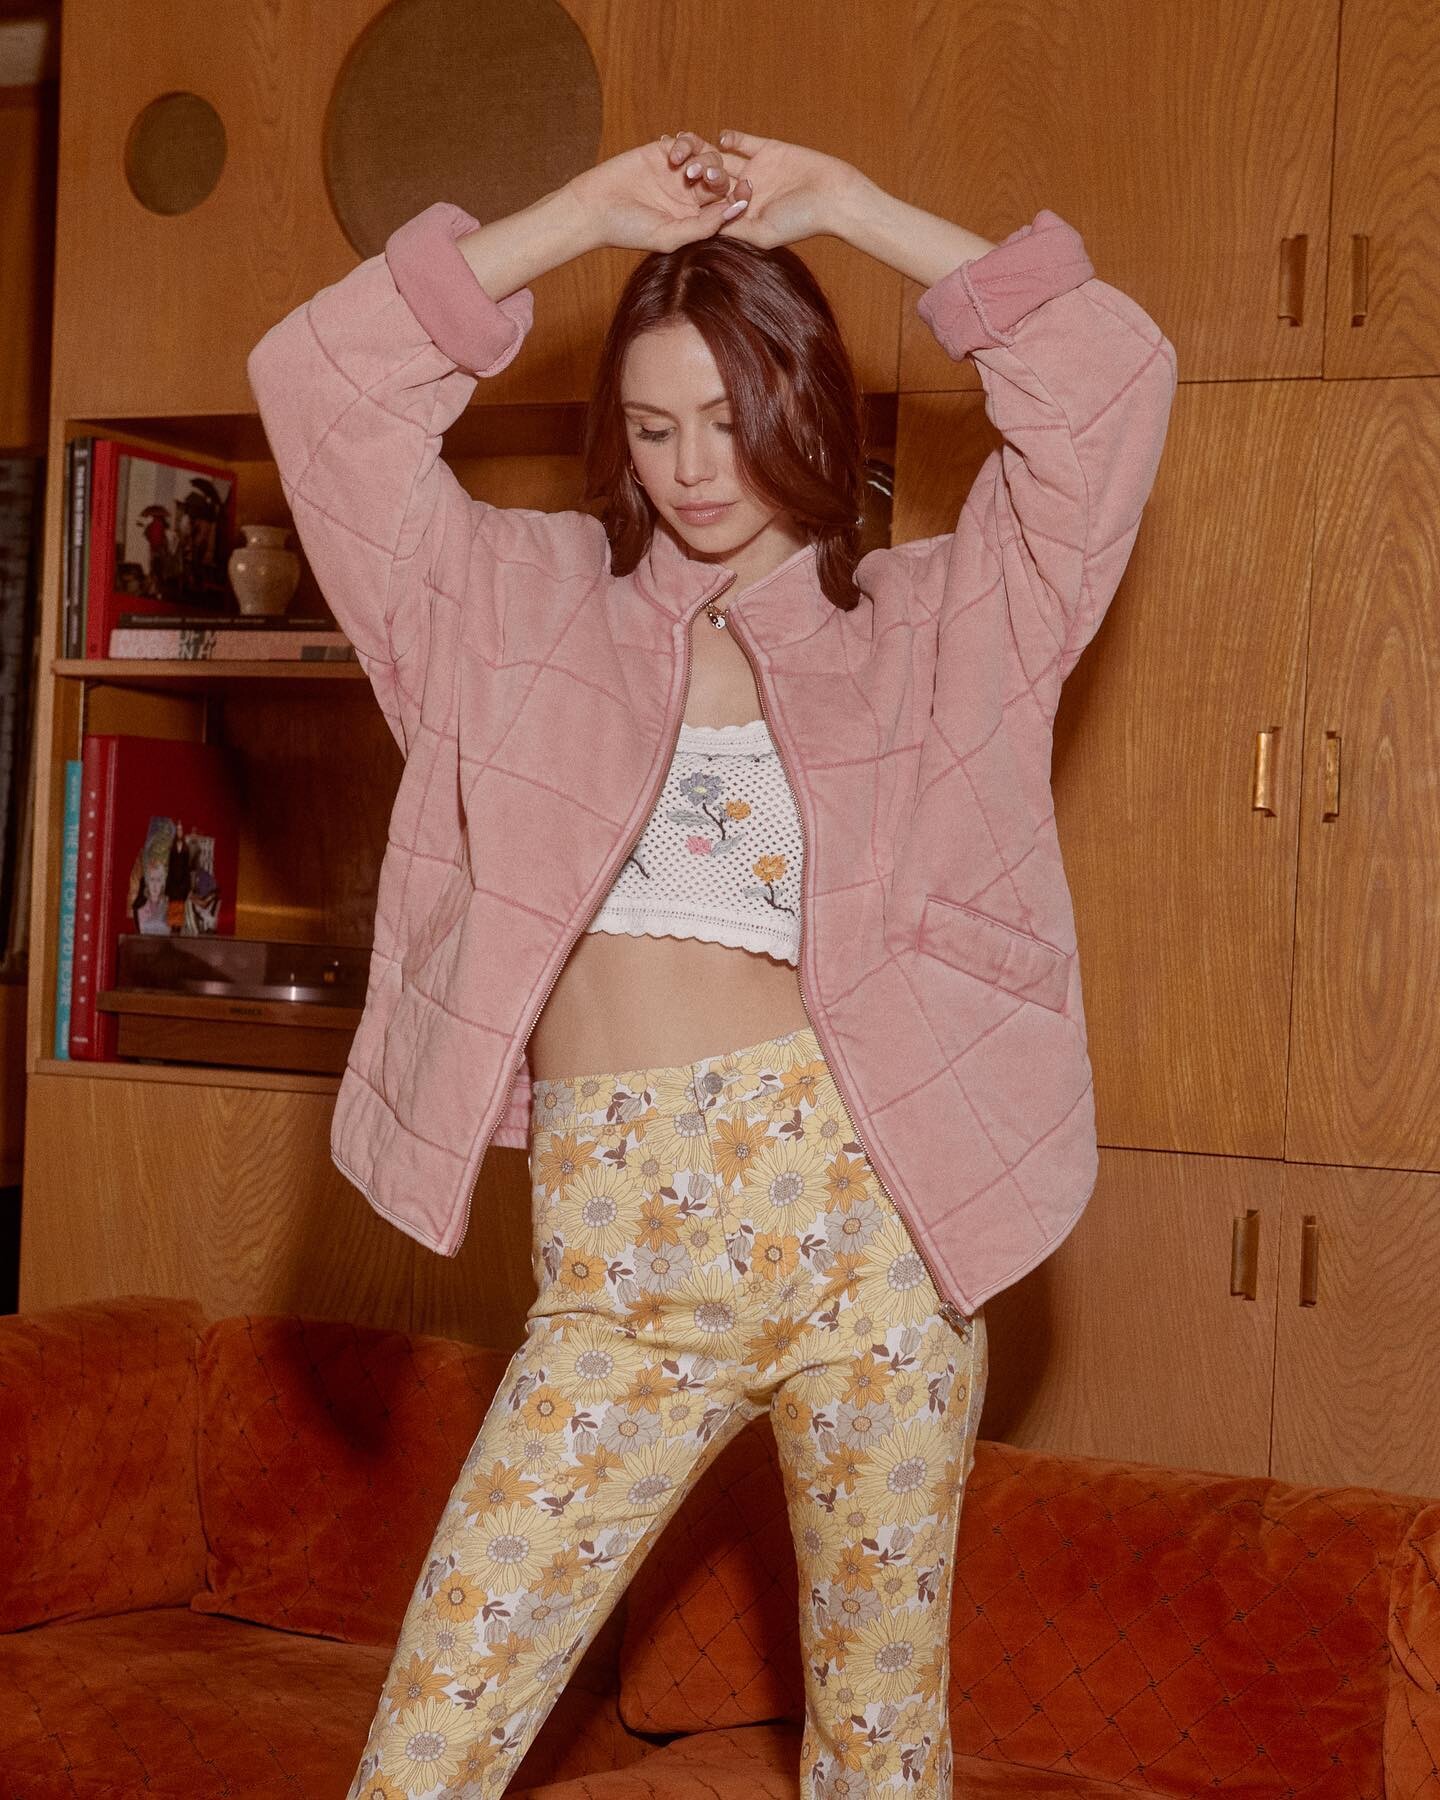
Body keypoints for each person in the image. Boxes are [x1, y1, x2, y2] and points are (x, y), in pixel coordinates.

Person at [248, 125, 1175, 1800]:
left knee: (879, 1750)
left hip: (880, 1236)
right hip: (624, 1260)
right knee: (434, 1738)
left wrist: (858, 209)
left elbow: (1110, 382)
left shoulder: (945, 623)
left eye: (734, 419)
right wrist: (578, 217)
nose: (693, 468)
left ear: (807, 408)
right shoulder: (503, 604)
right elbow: (319, 387)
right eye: (655, 425)